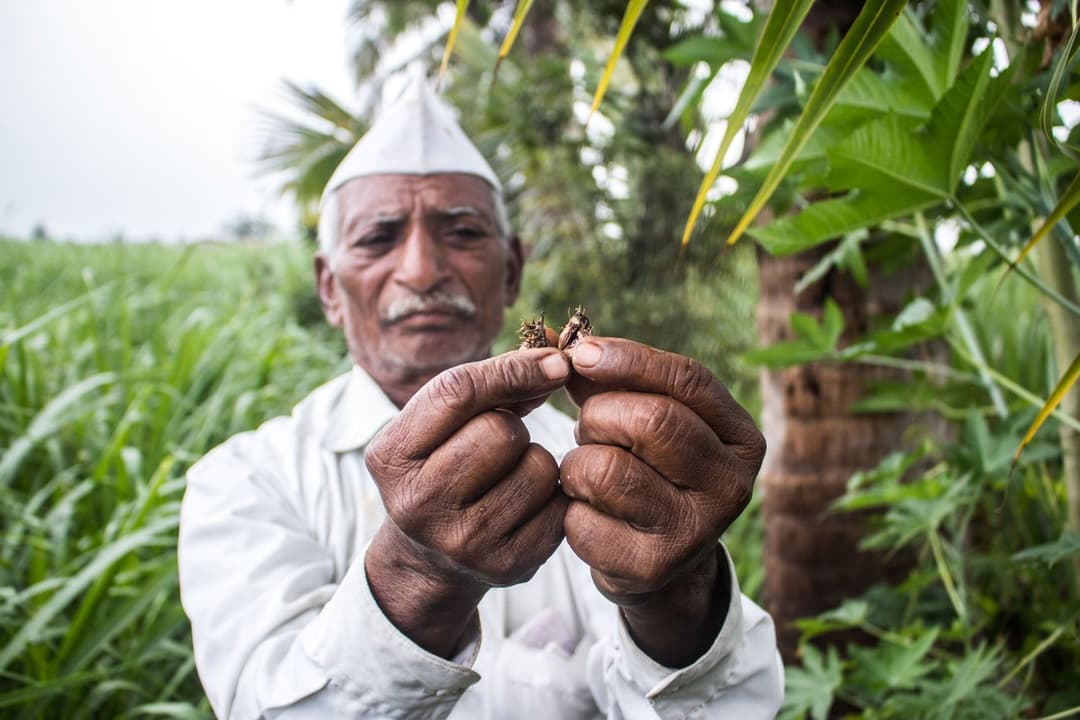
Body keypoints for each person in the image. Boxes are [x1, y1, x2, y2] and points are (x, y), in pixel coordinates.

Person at [178, 77, 783, 719]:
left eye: (462, 233)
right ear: (329, 287)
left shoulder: (597, 461)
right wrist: (418, 572)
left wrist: (674, 592)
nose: (421, 270)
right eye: (378, 239)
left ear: (512, 269)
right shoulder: (247, 480)